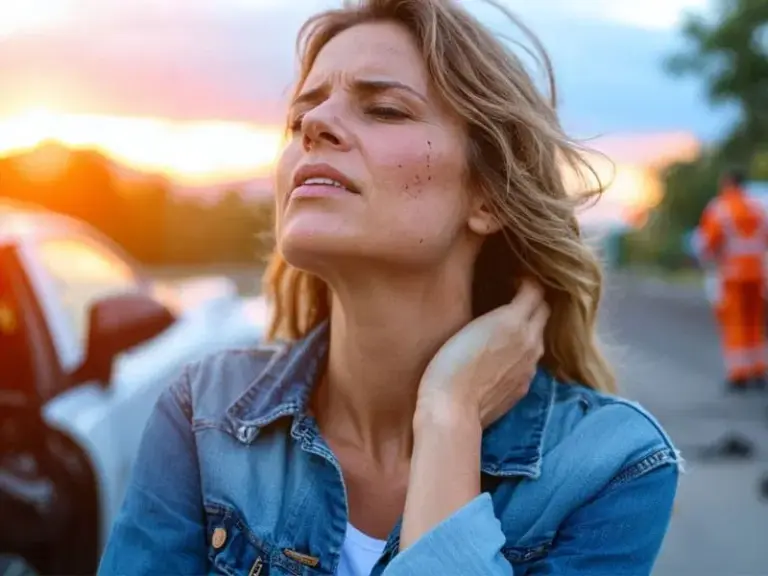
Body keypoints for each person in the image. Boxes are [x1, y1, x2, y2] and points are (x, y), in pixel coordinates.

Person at [98, 1, 679, 574]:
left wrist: (449, 418)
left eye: (384, 109)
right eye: (300, 118)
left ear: (488, 197)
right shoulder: (203, 416)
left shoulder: (609, 467)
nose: (315, 126)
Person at [697, 168, 768, 392]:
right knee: (755, 323)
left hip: (731, 275)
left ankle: (739, 373)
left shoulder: (720, 208)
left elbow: (708, 242)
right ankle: (759, 369)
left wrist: (707, 262)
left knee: (735, 323)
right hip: (757, 274)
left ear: (728, 182)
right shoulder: (759, 207)